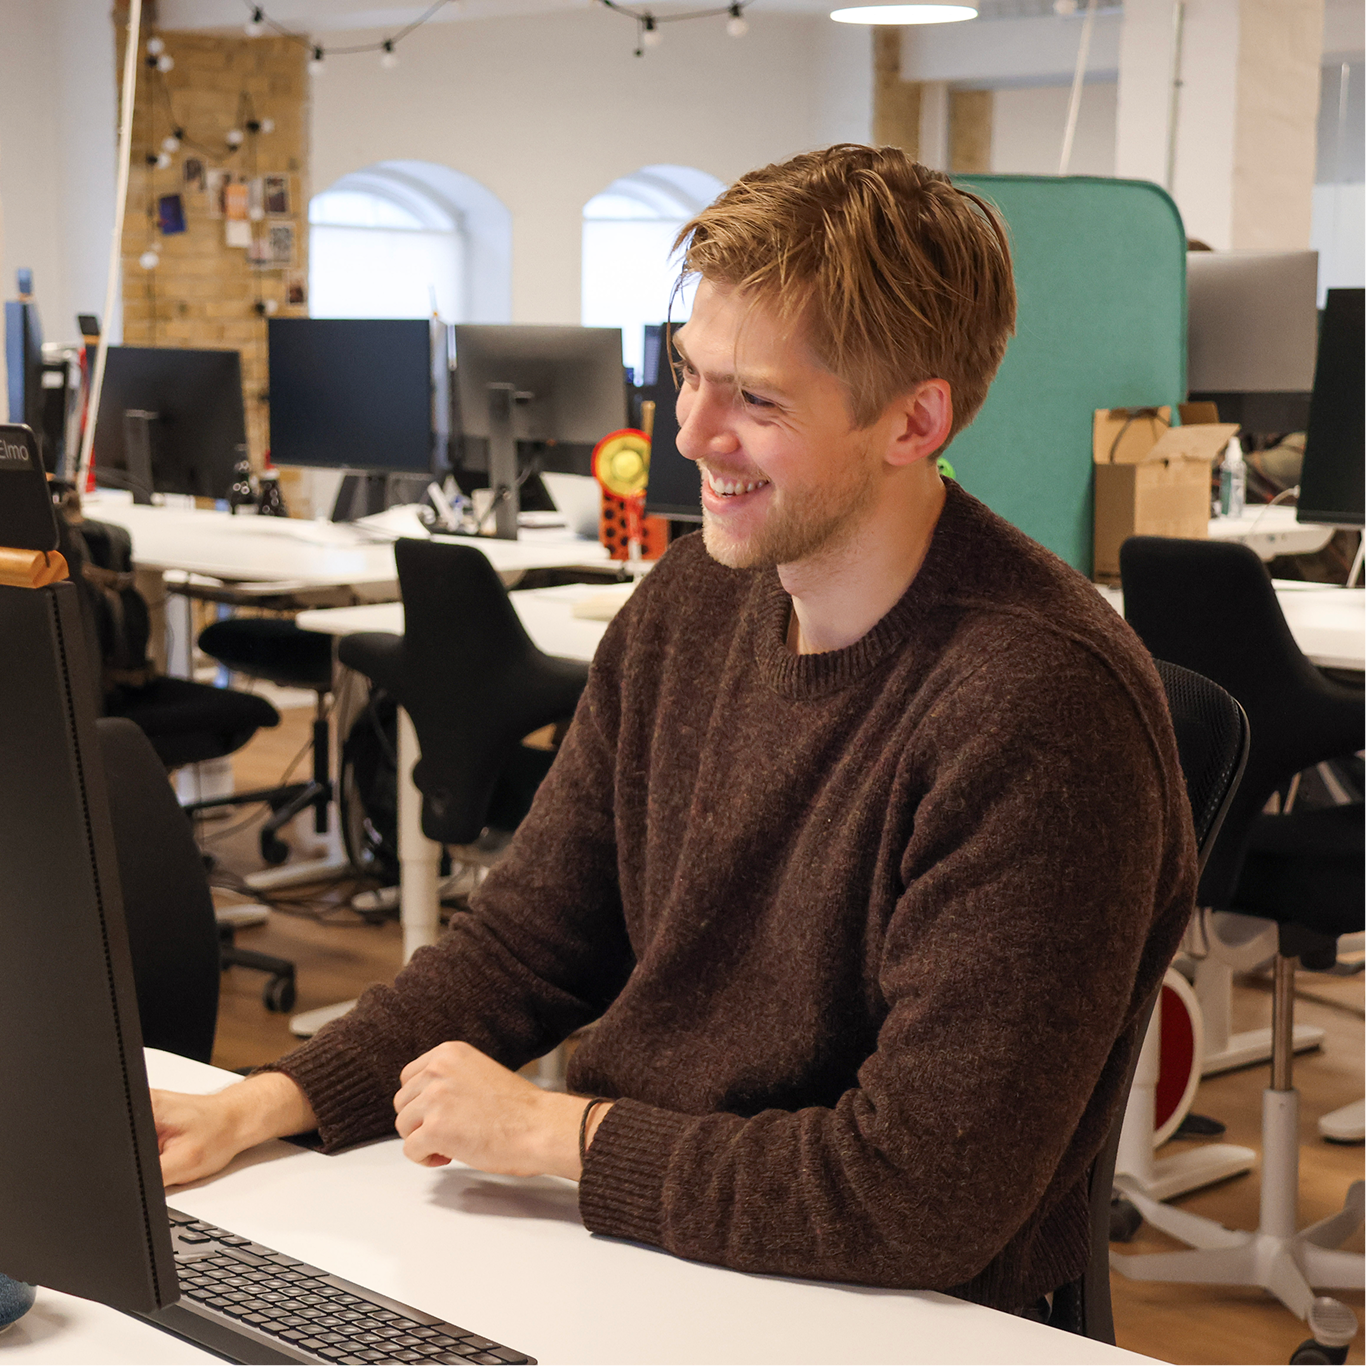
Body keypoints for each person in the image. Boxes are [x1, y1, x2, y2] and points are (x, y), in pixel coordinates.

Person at [153, 144, 1195, 1315]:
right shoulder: (696, 597)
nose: (690, 434)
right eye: (688, 373)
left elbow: (917, 1195)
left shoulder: (1037, 708)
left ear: (915, 421)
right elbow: (529, 941)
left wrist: (557, 1132)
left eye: (755, 397)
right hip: (647, 1249)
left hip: (892, 1312)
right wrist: (267, 1101)